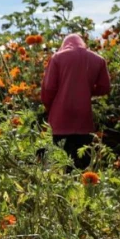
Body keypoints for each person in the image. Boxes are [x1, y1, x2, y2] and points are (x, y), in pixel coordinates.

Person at [41, 33, 111, 170]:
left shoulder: (58, 58)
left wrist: (49, 107)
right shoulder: (98, 60)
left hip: (59, 118)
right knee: (82, 164)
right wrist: (86, 91)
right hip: (84, 119)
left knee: (59, 164)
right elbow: (105, 87)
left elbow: (49, 88)